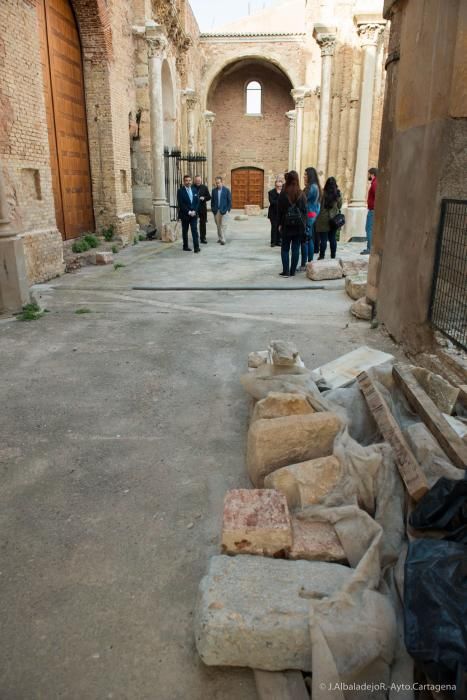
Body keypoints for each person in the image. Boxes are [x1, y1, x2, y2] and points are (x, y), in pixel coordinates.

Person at [277, 170, 307, 277]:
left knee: (285, 248)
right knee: (295, 248)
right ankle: (293, 271)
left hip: (286, 224)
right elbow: (304, 211)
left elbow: (279, 210)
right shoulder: (301, 193)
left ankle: (286, 271)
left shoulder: (283, 194)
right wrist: (304, 224)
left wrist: (279, 224)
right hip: (298, 226)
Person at [314, 177, 343, 259]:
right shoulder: (338, 194)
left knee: (323, 239)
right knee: (332, 238)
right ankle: (333, 256)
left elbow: (317, 204)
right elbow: (340, 206)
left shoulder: (322, 193)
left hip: (322, 219)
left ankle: (321, 256)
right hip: (334, 220)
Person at [300, 166, 321, 270]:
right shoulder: (315, 186)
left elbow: (303, 200)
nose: (304, 176)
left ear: (310, 175)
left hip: (309, 214)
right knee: (309, 239)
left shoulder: (312, 187)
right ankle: (310, 261)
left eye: (305, 175)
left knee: (305, 239)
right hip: (312, 214)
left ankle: (305, 264)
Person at [177, 174, 200, 253]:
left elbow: (197, 202)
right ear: (184, 182)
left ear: (191, 181)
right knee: (185, 231)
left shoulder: (194, 190)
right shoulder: (180, 191)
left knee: (194, 230)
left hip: (194, 215)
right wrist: (188, 212)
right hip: (185, 215)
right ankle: (185, 246)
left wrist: (195, 211)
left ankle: (196, 247)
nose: (188, 182)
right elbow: (181, 204)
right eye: (186, 181)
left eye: (189, 180)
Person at [210, 176, 232, 245]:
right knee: (218, 225)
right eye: (216, 183)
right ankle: (220, 238)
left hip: (224, 210)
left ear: (222, 182)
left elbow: (229, 201)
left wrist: (228, 209)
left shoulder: (226, 190)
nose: (217, 184)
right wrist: (213, 209)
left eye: (219, 183)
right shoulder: (214, 191)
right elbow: (212, 201)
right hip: (216, 211)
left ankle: (223, 239)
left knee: (224, 225)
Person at [361, 167, 378, 255]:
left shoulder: (375, 184)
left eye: (369, 174)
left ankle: (370, 248)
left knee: (369, 229)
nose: (368, 176)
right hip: (373, 209)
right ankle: (369, 247)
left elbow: (377, 196)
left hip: (373, 210)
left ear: (372, 174)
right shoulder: (375, 183)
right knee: (370, 229)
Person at [193, 174, 211, 244]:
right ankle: (195, 237)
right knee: (194, 224)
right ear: (194, 180)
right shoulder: (192, 187)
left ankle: (203, 238)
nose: (198, 181)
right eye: (197, 180)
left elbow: (209, 197)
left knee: (203, 224)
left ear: (201, 180)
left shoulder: (204, 187)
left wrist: (204, 198)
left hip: (202, 208)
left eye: (199, 180)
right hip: (194, 208)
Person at [268, 178, 283, 247]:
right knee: (274, 227)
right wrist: (278, 195)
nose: (279, 188)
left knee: (280, 227)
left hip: (281, 213)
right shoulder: (271, 192)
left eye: (280, 186)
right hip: (273, 213)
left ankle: (279, 241)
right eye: (277, 186)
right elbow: (272, 202)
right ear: (275, 185)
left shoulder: (283, 192)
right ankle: (273, 242)